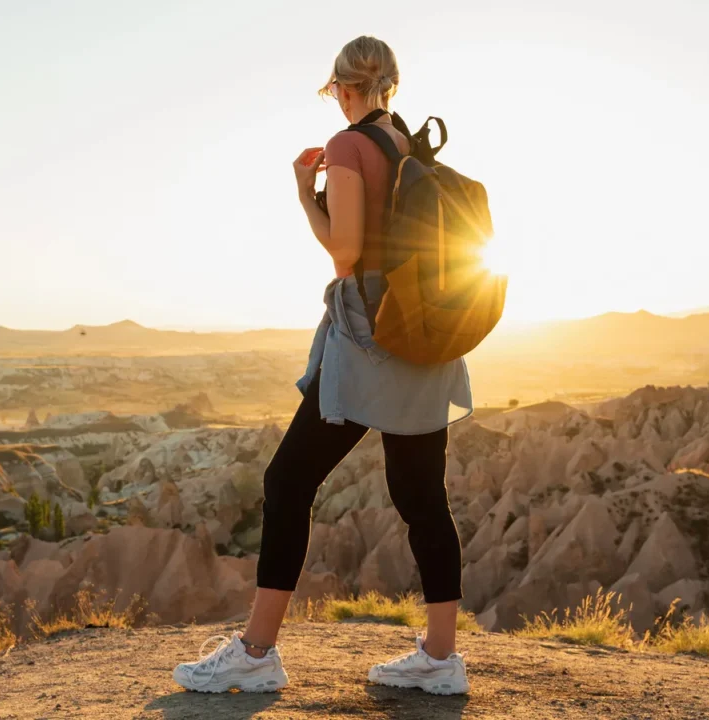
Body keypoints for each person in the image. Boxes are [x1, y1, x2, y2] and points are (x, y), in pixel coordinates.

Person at [172, 35, 473, 696]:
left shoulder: (346, 146)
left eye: (335, 90)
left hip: (371, 344)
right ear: (389, 86)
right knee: (423, 498)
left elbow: (344, 253)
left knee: (286, 483)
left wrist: (304, 193)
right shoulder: (406, 144)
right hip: (425, 333)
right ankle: (442, 659)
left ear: (342, 88)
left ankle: (255, 654)